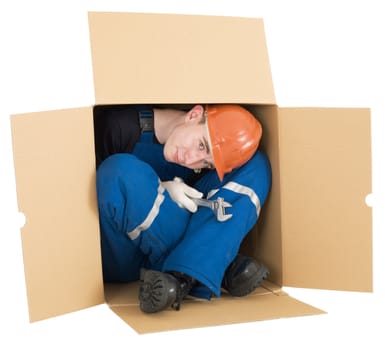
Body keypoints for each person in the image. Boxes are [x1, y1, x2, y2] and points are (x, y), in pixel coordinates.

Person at [94, 104, 272, 313]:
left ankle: (184, 275)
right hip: (122, 249)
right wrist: (158, 186)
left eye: (206, 164)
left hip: (168, 261)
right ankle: (209, 267)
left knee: (256, 164)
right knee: (119, 171)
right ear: (194, 115)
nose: (192, 160)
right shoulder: (117, 129)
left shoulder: (194, 160)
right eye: (202, 146)